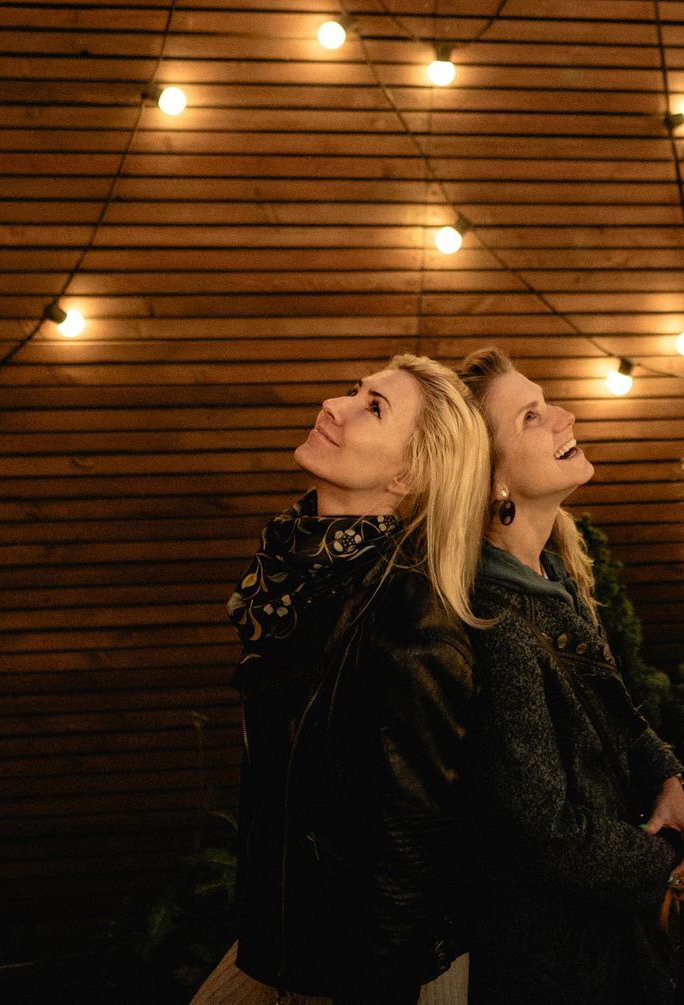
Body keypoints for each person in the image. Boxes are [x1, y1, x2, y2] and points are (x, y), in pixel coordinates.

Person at [194, 355, 493, 1005]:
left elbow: (416, 846)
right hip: (292, 940)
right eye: (356, 390)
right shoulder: (300, 573)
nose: (334, 402)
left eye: (373, 406)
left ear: (407, 473)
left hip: (373, 968)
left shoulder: (410, 614)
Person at [458, 347, 684, 1004]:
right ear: (491, 480)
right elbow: (541, 828)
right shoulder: (497, 617)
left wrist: (664, 775)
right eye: (532, 417)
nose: (567, 415)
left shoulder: (556, 573)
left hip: (605, 938)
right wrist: (665, 866)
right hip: (558, 962)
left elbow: (608, 704)